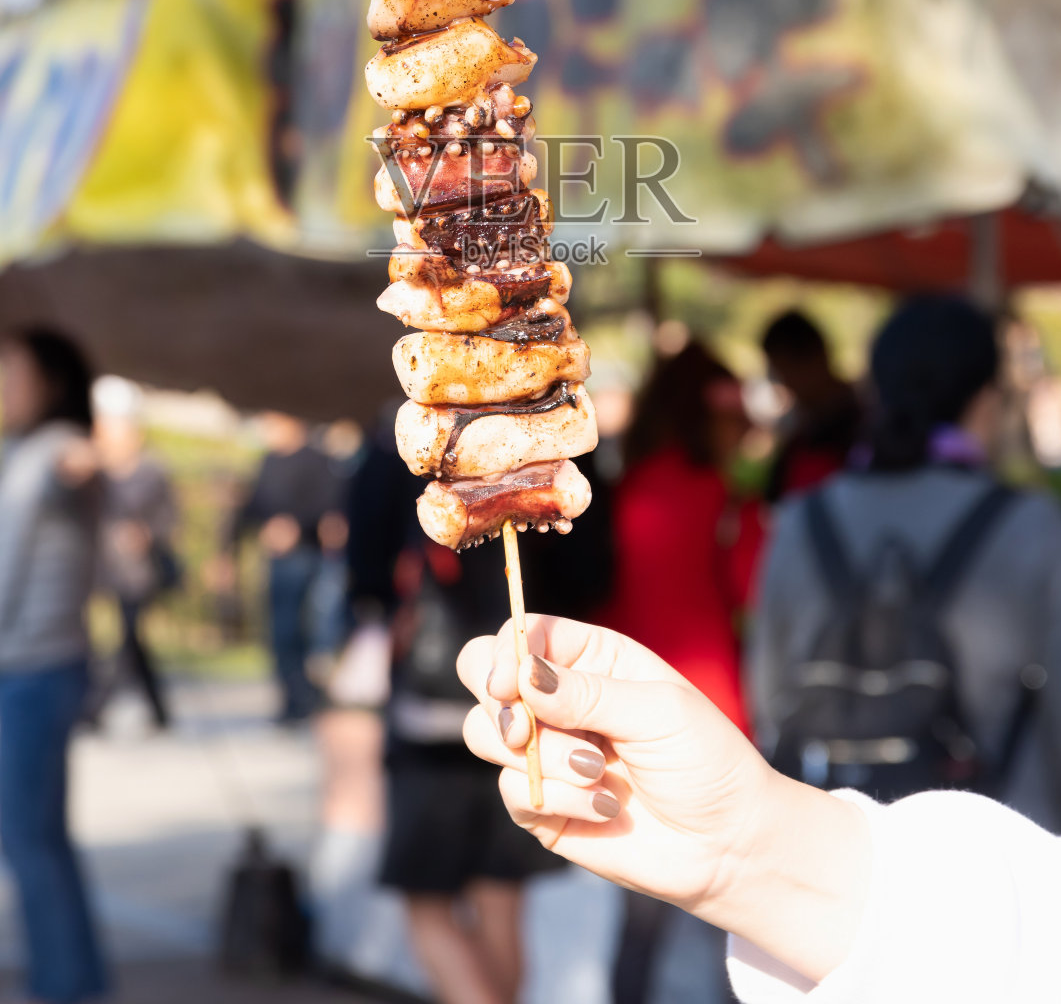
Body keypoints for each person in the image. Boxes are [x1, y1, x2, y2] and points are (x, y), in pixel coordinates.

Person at [459, 611, 1061, 1004]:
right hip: (678, 708)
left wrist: (746, 845)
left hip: (669, 709)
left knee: (641, 942)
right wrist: (747, 841)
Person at [750, 294, 1061, 829]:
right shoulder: (1031, 525)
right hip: (1000, 849)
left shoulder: (804, 521)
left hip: (842, 850)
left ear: (876, 392)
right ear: (988, 398)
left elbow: (769, 697)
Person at [347, 415, 564, 1004]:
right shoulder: (542, 438)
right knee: (502, 898)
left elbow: (362, 568)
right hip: (524, 689)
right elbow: (589, 567)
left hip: (429, 713)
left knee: (428, 902)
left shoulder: (397, 448)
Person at [600, 341, 762, 1004]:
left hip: (621, 708)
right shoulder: (724, 495)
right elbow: (753, 589)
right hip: (713, 713)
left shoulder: (617, 489)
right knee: (726, 907)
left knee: (637, 909)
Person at [0, 328, 110, 1003]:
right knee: (35, 839)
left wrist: (86, 460)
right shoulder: (17, 452)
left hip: (36, 672)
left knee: (31, 841)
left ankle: (66, 986)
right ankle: (72, 980)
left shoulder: (59, 449)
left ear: (52, 381)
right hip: (25, 669)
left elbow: (84, 464)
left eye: (12, 371)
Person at [222, 413, 347, 723]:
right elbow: (252, 507)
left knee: (307, 631)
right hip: (277, 559)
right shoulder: (268, 462)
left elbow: (329, 507)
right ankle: (293, 700)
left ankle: (306, 698)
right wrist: (228, 551)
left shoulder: (318, 460)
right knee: (281, 632)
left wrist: (296, 526)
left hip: (307, 557)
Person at [91, 380, 180, 728]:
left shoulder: (151, 470)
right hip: (101, 568)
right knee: (102, 641)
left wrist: (146, 533)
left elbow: (169, 518)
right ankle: (95, 708)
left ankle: (150, 708)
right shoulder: (97, 471)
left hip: (138, 571)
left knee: (130, 638)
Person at [760, 309, 863, 502]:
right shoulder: (800, 430)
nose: (786, 383)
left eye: (787, 370)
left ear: (818, 356)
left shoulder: (863, 425)